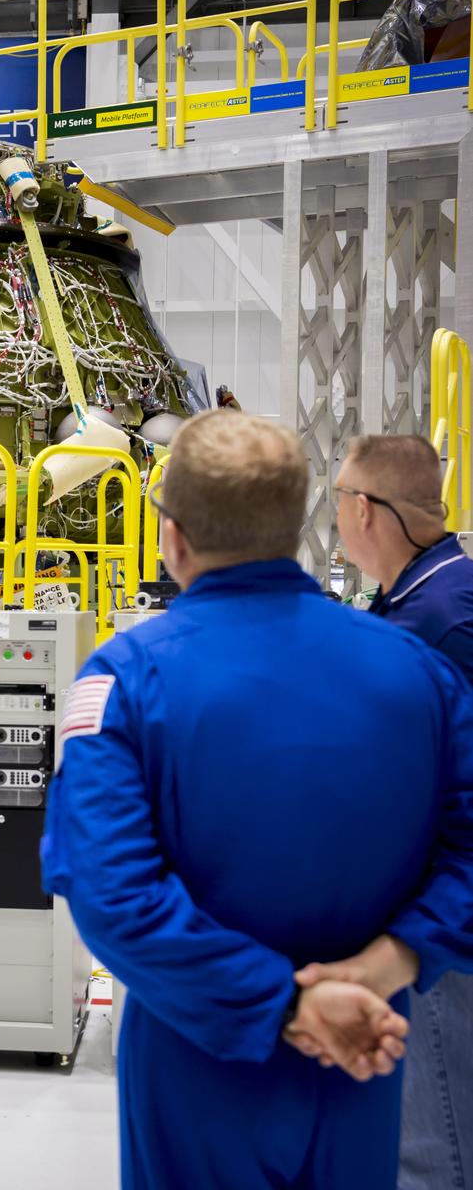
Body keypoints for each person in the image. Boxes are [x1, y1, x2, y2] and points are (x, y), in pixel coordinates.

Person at [41, 411, 473, 1190]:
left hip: (196, 1057)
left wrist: (281, 1005)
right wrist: (383, 967)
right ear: (295, 522)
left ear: (172, 537)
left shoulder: (125, 680)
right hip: (364, 1053)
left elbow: (112, 894)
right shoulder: (419, 675)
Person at [301, 433, 473, 1190]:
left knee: (432, 1137)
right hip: (430, 902)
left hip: (434, 911)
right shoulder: (422, 593)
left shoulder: (439, 623)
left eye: (339, 497)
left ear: (364, 510)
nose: (337, 511)